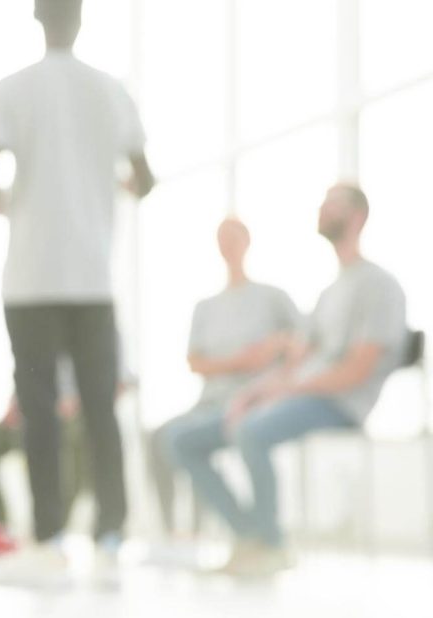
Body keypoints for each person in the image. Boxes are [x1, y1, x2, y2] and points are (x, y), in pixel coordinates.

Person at [0, 0, 154, 585]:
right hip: (91, 277)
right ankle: (110, 532)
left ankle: (48, 536)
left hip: (30, 277)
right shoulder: (112, 91)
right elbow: (144, 178)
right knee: (102, 410)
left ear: (37, 19)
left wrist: (6, 204)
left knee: (40, 412)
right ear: (79, 20)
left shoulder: (10, 89)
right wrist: (106, 186)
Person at [167, 184, 407, 577]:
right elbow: (299, 360)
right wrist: (254, 391)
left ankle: (271, 546)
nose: (322, 209)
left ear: (358, 217)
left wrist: (284, 390)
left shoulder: (379, 285)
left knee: (249, 430)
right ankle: (251, 537)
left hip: (340, 402)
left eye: (333, 204)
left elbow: (356, 371)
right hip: (297, 397)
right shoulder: (330, 292)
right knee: (182, 440)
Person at [149, 219, 300, 537]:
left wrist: (275, 347)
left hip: (254, 400)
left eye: (233, 237)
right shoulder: (206, 307)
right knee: (160, 437)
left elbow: (303, 344)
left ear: (248, 240)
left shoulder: (272, 297)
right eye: (222, 239)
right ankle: (175, 531)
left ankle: (257, 535)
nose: (228, 244)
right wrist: (239, 361)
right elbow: (195, 362)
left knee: (213, 437)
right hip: (209, 401)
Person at [0, 358, 90, 561]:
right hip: (30, 410)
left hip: (71, 416)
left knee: (69, 455)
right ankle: (1, 532)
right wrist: (15, 402)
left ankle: (51, 533)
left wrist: (76, 401)